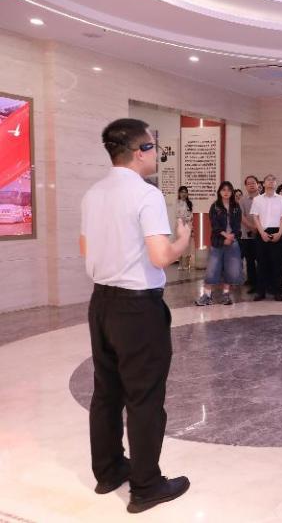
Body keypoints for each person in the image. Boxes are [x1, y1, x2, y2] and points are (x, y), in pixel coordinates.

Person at [80, 118, 190, 513]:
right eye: (153, 147)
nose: (156, 153)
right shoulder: (146, 194)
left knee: (107, 391)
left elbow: (85, 248)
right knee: (144, 396)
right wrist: (183, 240)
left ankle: (109, 471)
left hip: (101, 302)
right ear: (139, 152)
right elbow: (160, 256)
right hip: (137, 308)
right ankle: (146, 487)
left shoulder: (93, 193)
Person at [196, 181, 243, 306]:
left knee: (230, 269)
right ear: (219, 192)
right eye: (223, 190)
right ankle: (207, 296)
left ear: (232, 192)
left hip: (232, 240)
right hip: (218, 241)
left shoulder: (236, 207)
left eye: (228, 190)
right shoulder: (215, 206)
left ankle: (226, 295)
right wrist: (225, 236)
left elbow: (237, 225)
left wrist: (231, 236)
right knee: (212, 269)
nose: (226, 192)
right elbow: (214, 225)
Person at [251, 174, 282, 301]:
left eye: (273, 180)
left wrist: (279, 233)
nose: (271, 181)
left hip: (277, 232)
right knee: (261, 263)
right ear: (263, 184)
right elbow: (255, 217)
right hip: (262, 232)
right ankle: (260, 292)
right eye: (268, 180)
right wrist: (262, 232)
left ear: (275, 183)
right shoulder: (257, 199)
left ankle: (277, 292)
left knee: (277, 263)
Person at [239, 175, 259, 293]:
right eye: (248, 183)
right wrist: (252, 227)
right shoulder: (242, 200)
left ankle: (261, 283)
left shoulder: (263, 199)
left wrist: (259, 229)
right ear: (246, 186)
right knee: (250, 261)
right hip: (247, 235)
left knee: (261, 260)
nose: (251, 185)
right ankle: (252, 282)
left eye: (253, 183)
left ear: (258, 184)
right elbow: (241, 216)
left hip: (262, 234)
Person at [175, 186, 194, 271]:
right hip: (179, 226)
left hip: (187, 226)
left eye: (185, 192)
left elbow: (191, 215)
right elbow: (177, 214)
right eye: (182, 192)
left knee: (187, 246)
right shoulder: (177, 203)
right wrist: (182, 218)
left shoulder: (190, 203)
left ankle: (186, 264)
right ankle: (180, 264)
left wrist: (187, 219)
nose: (184, 194)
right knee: (179, 245)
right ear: (179, 193)